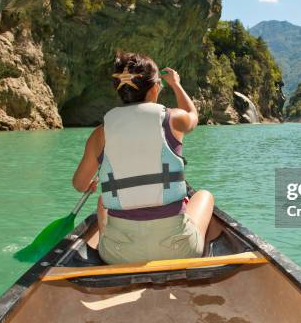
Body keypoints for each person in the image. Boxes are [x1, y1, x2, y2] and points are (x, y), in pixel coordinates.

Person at [72, 51, 214, 264]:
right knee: (204, 195)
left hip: (118, 255)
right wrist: (175, 84)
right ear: (155, 87)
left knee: (103, 201)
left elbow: (80, 184)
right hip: (178, 250)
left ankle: (108, 243)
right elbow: (193, 115)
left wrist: (90, 184)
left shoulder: (100, 133)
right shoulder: (174, 119)